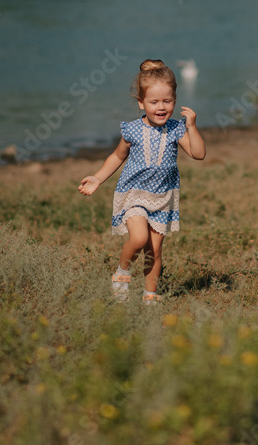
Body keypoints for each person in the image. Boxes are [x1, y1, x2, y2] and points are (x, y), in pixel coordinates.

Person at [78, 58, 206, 303]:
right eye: (154, 102)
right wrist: (97, 178)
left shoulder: (177, 129)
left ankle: (150, 297)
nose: (161, 107)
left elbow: (199, 154)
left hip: (163, 198)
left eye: (167, 101)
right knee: (138, 239)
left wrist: (192, 127)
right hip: (134, 194)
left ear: (175, 101)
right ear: (141, 103)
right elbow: (117, 156)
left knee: (154, 251)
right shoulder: (132, 130)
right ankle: (122, 273)